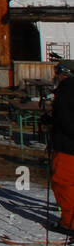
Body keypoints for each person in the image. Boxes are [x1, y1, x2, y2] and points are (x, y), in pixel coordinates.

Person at [47, 60, 74, 235]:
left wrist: (53, 121)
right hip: (67, 142)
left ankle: (69, 223)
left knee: (62, 182)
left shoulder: (66, 90)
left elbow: (65, 120)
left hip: (67, 145)